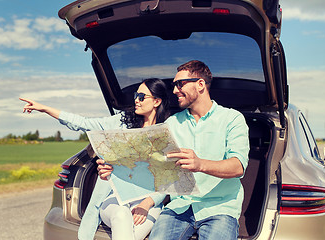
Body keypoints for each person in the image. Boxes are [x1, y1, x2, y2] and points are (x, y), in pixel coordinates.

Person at [99, 60, 250, 240]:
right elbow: (150, 166)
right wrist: (114, 169)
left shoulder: (232, 119)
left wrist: (200, 164)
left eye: (180, 84)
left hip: (219, 208)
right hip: (179, 207)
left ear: (200, 84)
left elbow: (238, 166)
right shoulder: (171, 124)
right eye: (174, 85)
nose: (175, 90)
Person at [20, 78, 170, 240]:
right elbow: (83, 123)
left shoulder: (166, 133)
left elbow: (169, 179)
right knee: (121, 215)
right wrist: (45, 109)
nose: (136, 100)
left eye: (141, 96)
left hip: (148, 203)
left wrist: (147, 204)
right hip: (115, 200)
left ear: (156, 101)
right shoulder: (122, 122)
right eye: (136, 95)